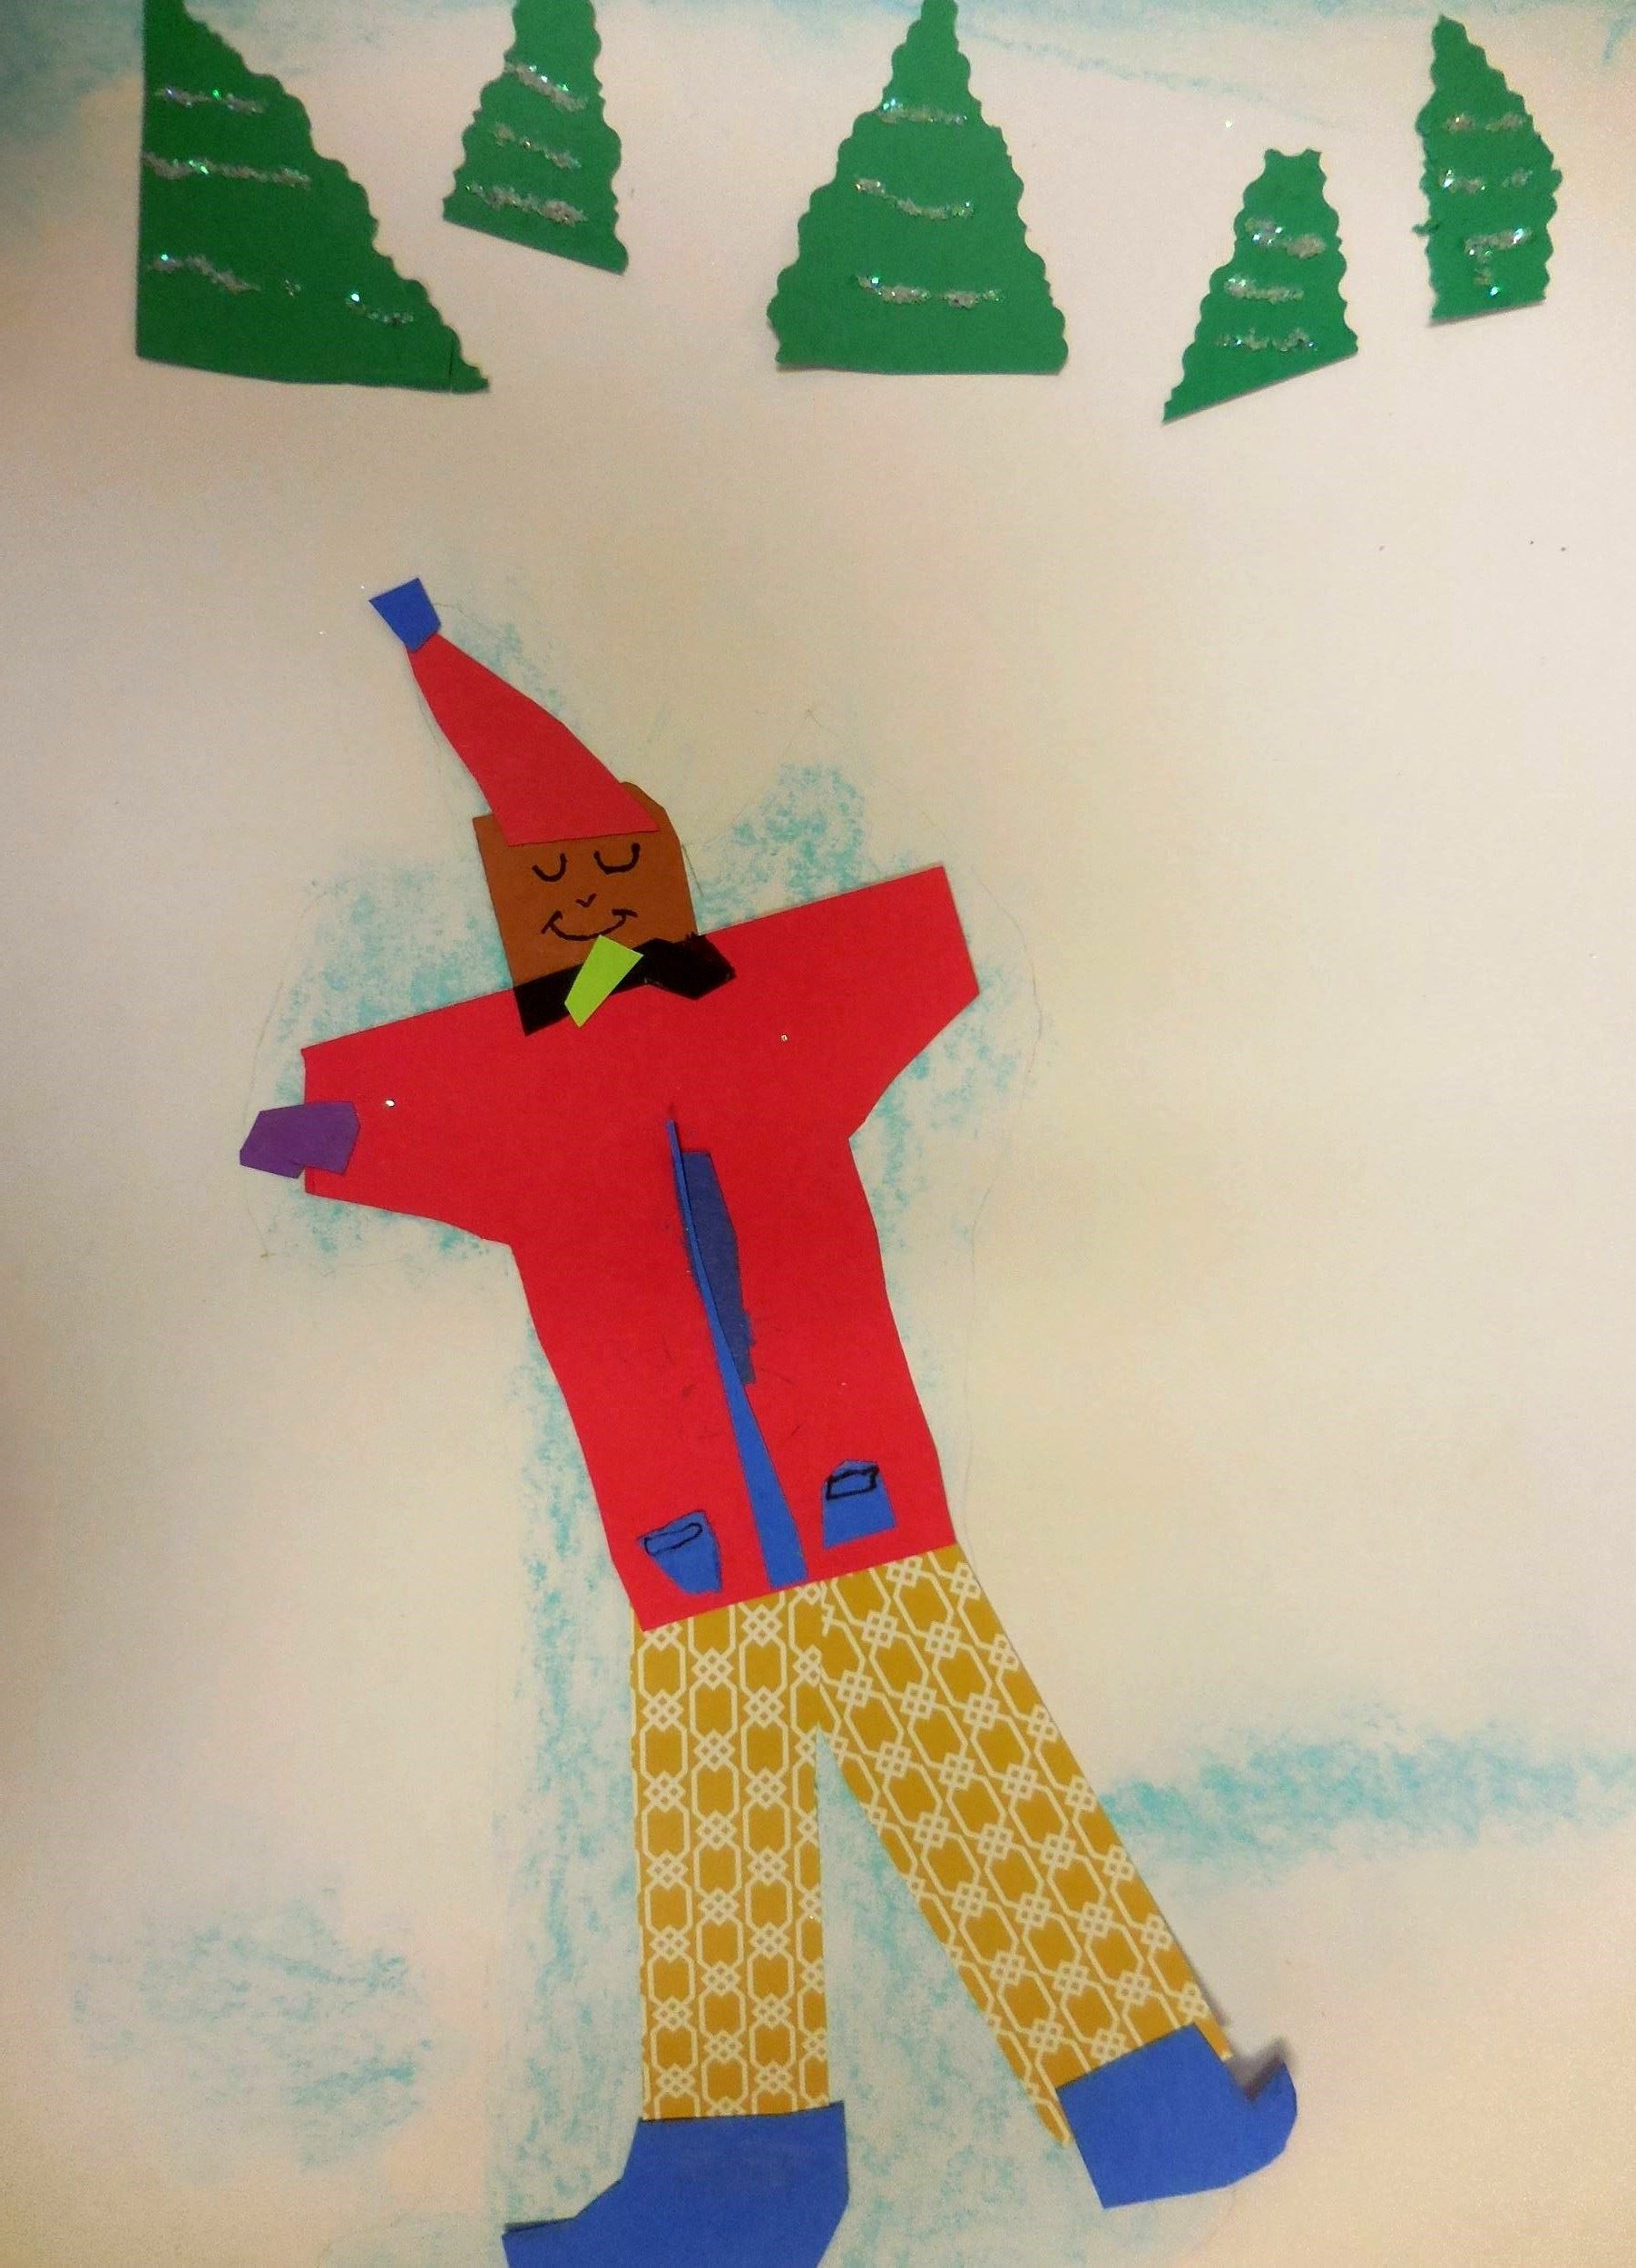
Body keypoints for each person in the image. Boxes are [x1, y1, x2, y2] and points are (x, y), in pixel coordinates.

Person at [243, 581, 1297, 2266]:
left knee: (977, 1792)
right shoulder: (512, 1092)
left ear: (658, 875)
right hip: (689, 1552)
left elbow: (917, 954)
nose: (589, 911)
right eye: (555, 895)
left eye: (612, 878)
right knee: (726, 1842)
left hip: (868, 1511)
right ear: (519, 914)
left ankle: (1153, 2109)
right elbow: (358, 1129)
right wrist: (318, 1137)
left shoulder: (765, 1010)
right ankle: (746, 2187)